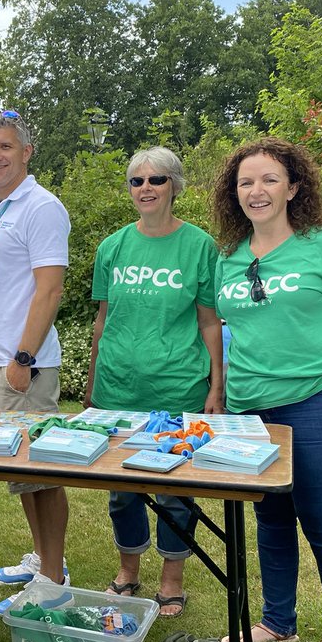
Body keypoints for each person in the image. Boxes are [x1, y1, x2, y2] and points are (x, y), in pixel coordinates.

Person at [211, 137, 322, 642]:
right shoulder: (229, 259)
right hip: (250, 409)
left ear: (293, 188)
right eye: (245, 182)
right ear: (233, 194)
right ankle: (277, 621)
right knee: (272, 520)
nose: (256, 191)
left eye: (268, 180)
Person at [84, 146, 223, 617]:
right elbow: (102, 320)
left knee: (174, 492)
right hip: (116, 389)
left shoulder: (200, 246)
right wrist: (90, 383)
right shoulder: (112, 246)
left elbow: (209, 323)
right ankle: (127, 571)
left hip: (178, 387)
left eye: (156, 180)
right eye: (136, 181)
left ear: (175, 187)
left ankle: (172, 578)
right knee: (122, 491)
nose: (145, 188)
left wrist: (216, 385)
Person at [0, 111, 72, 615]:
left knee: (43, 470)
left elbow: (49, 288)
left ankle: (53, 579)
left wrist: (23, 357)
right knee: (20, 472)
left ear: (26, 152)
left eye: (4, 147)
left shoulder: (41, 207)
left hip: (22, 362)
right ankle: (41, 560)